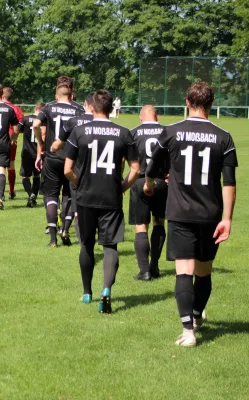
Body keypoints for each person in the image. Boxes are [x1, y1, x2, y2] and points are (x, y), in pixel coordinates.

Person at [145, 82, 238, 347]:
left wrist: (150, 184)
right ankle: (196, 316)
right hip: (210, 214)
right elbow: (229, 183)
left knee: (183, 272)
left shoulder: (171, 132)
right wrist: (227, 219)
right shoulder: (224, 137)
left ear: (187, 101)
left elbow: (153, 168)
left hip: (180, 212)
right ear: (211, 103)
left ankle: (188, 331)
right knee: (204, 272)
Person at [64, 89, 140, 313]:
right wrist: (123, 187)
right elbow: (136, 169)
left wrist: (79, 184)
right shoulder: (124, 133)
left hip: (85, 197)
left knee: (86, 244)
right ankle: (106, 290)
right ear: (110, 108)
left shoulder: (79, 131)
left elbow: (67, 169)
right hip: (111, 197)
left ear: (91, 106)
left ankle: (87, 292)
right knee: (110, 246)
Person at [32, 78, 83, 247]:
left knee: (51, 195)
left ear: (56, 95)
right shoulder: (78, 109)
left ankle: (53, 238)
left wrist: (40, 145)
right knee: (68, 195)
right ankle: (65, 230)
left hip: (52, 157)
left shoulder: (48, 107)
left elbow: (35, 125)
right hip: (72, 158)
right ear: (71, 95)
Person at [129, 105, 169, 281]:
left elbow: (125, 160)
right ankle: (155, 265)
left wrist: (123, 184)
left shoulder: (133, 133)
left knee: (141, 226)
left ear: (140, 118)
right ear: (157, 117)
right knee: (159, 223)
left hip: (139, 182)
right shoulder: (167, 132)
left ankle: (144, 270)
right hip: (161, 182)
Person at [51, 92, 95, 244]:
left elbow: (58, 143)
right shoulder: (103, 122)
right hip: (97, 169)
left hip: (76, 168)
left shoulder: (73, 122)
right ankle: (67, 229)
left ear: (85, 104)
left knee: (76, 203)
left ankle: (82, 242)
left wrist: (52, 149)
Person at [18, 102, 44, 208]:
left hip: (27, 152)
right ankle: (33, 197)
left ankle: (30, 194)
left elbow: (18, 129)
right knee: (37, 175)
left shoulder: (25, 119)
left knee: (25, 176)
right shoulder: (44, 121)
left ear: (35, 109)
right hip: (38, 152)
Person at [2, 87, 24, 200]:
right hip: (12, 140)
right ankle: (11, 191)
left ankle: (1, 194)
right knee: (11, 165)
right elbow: (22, 126)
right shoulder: (17, 109)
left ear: (2, 96)